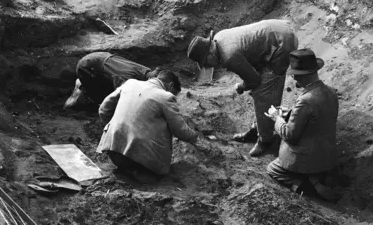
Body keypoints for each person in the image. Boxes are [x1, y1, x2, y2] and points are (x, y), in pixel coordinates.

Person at [187, 19, 298, 157]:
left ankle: (266, 140)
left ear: (210, 53)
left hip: (283, 44)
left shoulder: (228, 56)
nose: (210, 67)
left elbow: (254, 80)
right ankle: (258, 128)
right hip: (278, 31)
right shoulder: (219, 37)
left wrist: (241, 86)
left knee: (264, 93)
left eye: (206, 63)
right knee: (259, 91)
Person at [96, 68, 200, 183]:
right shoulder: (165, 97)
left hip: (112, 149)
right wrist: (196, 138)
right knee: (156, 174)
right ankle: (138, 171)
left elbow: (103, 109)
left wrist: (113, 129)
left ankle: (127, 169)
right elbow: (179, 129)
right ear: (170, 85)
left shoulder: (130, 83)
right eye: (174, 92)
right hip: (138, 156)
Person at [265, 49, 339, 201]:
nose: (294, 79)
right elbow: (316, 119)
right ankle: (316, 177)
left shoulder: (306, 100)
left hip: (305, 158)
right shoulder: (331, 92)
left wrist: (276, 118)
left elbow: (289, 135)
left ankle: (305, 185)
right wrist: (291, 112)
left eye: (294, 75)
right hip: (326, 156)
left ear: (299, 75)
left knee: (272, 169)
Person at [64, 52, 160, 109]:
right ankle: (80, 87)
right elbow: (121, 99)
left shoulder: (146, 71)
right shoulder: (128, 79)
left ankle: (83, 83)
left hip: (100, 58)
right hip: (88, 66)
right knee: (102, 102)